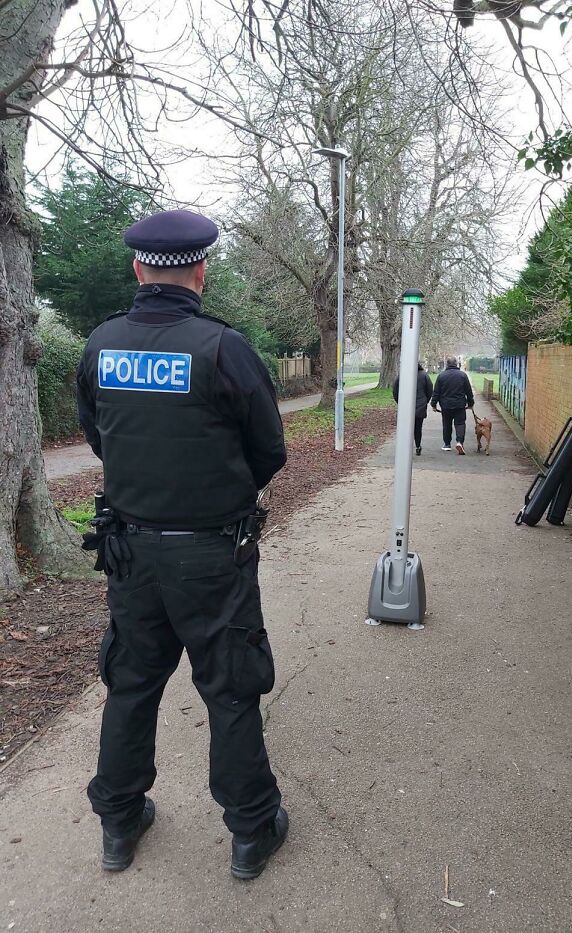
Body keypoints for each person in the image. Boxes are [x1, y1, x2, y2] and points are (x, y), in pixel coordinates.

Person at [76, 209, 288, 880]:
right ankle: (252, 832)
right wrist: (214, 492)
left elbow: (98, 434)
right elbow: (269, 450)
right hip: (211, 555)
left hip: (131, 555)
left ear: (139, 269)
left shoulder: (101, 345)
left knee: (132, 684)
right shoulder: (222, 349)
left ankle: (118, 820)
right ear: (200, 270)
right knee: (229, 689)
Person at [431, 356, 475, 454]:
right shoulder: (463, 375)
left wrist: (433, 404)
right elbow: (469, 391)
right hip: (460, 405)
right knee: (460, 423)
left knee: (447, 424)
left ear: (447, 364)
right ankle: (460, 442)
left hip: (446, 405)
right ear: (456, 364)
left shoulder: (441, 376)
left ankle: (447, 444)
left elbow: (436, 392)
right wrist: (471, 403)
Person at [392, 363, 433, 456]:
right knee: (418, 428)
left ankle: (405, 448)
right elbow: (430, 390)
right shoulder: (424, 375)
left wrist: (400, 402)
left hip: (405, 406)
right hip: (420, 406)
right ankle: (418, 446)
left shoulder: (402, 375)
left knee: (405, 428)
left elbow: (395, 390)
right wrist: (425, 401)